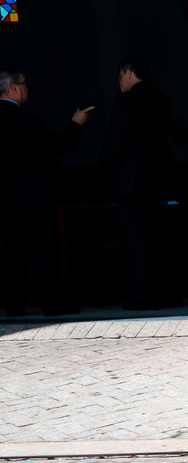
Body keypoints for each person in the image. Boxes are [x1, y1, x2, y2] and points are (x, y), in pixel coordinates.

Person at [0, 68, 92, 316]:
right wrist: (75, 124)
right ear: (15, 88)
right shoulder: (27, 121)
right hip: (34, 198)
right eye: (25, 84)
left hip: (6, 200)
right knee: (44, 255)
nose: (27, 88)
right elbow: (58, 147)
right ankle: (52, 304)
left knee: (12, 254)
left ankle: (14, 305)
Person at [102, 56, 175, 310]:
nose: (119, 83)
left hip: (131, 182)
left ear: (129, 73)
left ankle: (145, 295)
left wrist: (107, 170)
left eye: (120, 77)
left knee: (135, 240)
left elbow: (115, 142)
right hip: (159, 178)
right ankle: (168, 293)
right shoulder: (162, 100)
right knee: (161, 236)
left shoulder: (124, 101)